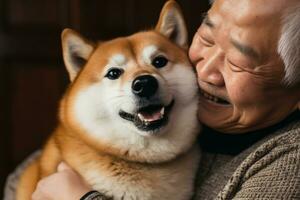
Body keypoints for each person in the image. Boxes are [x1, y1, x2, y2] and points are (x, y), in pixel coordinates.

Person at [31, 0, 300, 199]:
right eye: (207, 38)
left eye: (239, 62)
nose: (203, 71)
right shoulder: (196, 111)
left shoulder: (289, 165)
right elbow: (26, 180)